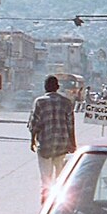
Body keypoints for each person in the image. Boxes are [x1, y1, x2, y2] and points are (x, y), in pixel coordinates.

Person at [27, 75, 77, 203]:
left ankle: (46, 199)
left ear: (45, 87)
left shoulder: (40, 102)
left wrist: (32, 141)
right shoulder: (66, 102)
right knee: (60, 175)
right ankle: (59, 199)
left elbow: (34, 124)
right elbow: (70, 125)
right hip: (62, 145)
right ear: (58, 87)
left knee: (46, 176)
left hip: (45, 145)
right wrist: (73, 144)